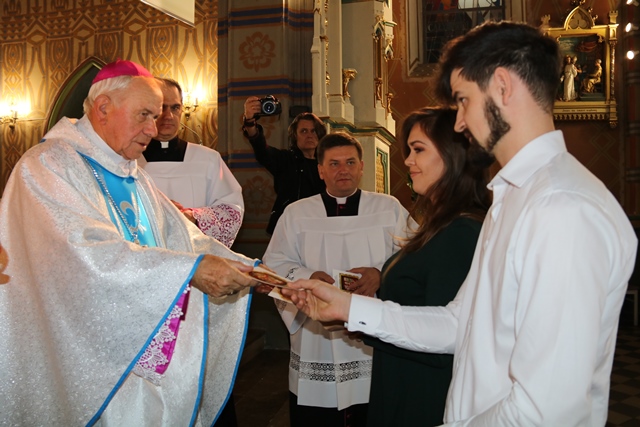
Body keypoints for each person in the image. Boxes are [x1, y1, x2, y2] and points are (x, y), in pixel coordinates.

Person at [283, 22, 638, 426]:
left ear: (502, 86)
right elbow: (458, 323)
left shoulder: (562, 208)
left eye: (464, 100)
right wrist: (347, 307)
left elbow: (547, 409)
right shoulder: (514, 197)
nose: (459, 123)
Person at [0, 60, 266, 426]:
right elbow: (84, 253)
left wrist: (249, 269)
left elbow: (183, 237)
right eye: (145, 115)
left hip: (140, 345)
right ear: (103, 108)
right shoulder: (49, 165)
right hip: (87, 357)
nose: (153, 130)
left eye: (156, 117)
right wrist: (191, 270)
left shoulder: (132, 172)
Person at [263, 132, 414, 427]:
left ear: (361, 167)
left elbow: (415, 255)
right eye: (334, 164)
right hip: (316, 333)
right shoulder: (296, 213)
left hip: (373, 330)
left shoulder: (389, 208)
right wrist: (308, 278)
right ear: (320, 170)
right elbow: (275, 262)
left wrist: (381, 274)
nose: (343, 170)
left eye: (350, 162)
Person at [364, 107, 492, 427]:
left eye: (418, 149)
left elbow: (442, 340)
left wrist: (360, 319)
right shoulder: (440, 226)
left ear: (452, 156)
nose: (408, 161)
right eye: (409, 150)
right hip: (404, 383)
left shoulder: (462, 233)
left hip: (423, 397)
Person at [139, 78, 244, 248]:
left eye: (175, 108)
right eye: (162, 107)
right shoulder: (129, 160)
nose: (168, 116)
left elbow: (231, 210)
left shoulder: (208, 159)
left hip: (194, 254)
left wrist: (194, 216)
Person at [243, 97, 326, 234]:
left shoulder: (327, 164)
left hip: (319, 227)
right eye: (304, 131)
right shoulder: (285, 160)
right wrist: (250, 122)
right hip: (289, 228)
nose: (310, 135)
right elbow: (261, 149)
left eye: (313, 131)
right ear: (295, 136)